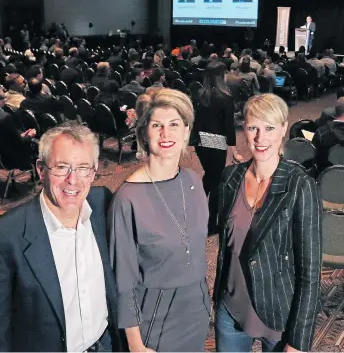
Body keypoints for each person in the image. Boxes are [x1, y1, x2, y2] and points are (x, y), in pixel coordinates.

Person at [0, 122, 122, 352]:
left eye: (83, 168)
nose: (73, 180)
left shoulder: (102, 203)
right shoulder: (0, 240)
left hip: (107, 344)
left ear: (93, 173)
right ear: (41, 170)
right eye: (61, 167)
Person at [213, 93, 322, 352]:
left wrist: (298, 341)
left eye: (270, 128)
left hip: (278, 316)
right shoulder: (231, 177)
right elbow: (225, 248)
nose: (261, 139)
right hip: (231, 309)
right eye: (253, 128)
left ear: (284, 128)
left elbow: (310, 273)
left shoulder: (300, 185)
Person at [109, 89, 211, 352]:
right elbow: (124, 280)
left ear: (187, 132)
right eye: (157, 125)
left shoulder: (193, 180)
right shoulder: (127, 199)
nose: (166, 134)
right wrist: (135, 344)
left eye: (174, 125)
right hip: (155, 323)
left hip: (197, 313)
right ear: (144, 133)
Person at [194, 61, 242, 232]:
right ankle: (211, 223)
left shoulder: (200, 94)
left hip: (200, 141)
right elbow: (229, 127)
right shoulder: (225, 97)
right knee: (216, 182)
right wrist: (234, 151)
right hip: (215, 142)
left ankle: (196, 206)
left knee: (209, 176)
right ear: (222, 76)